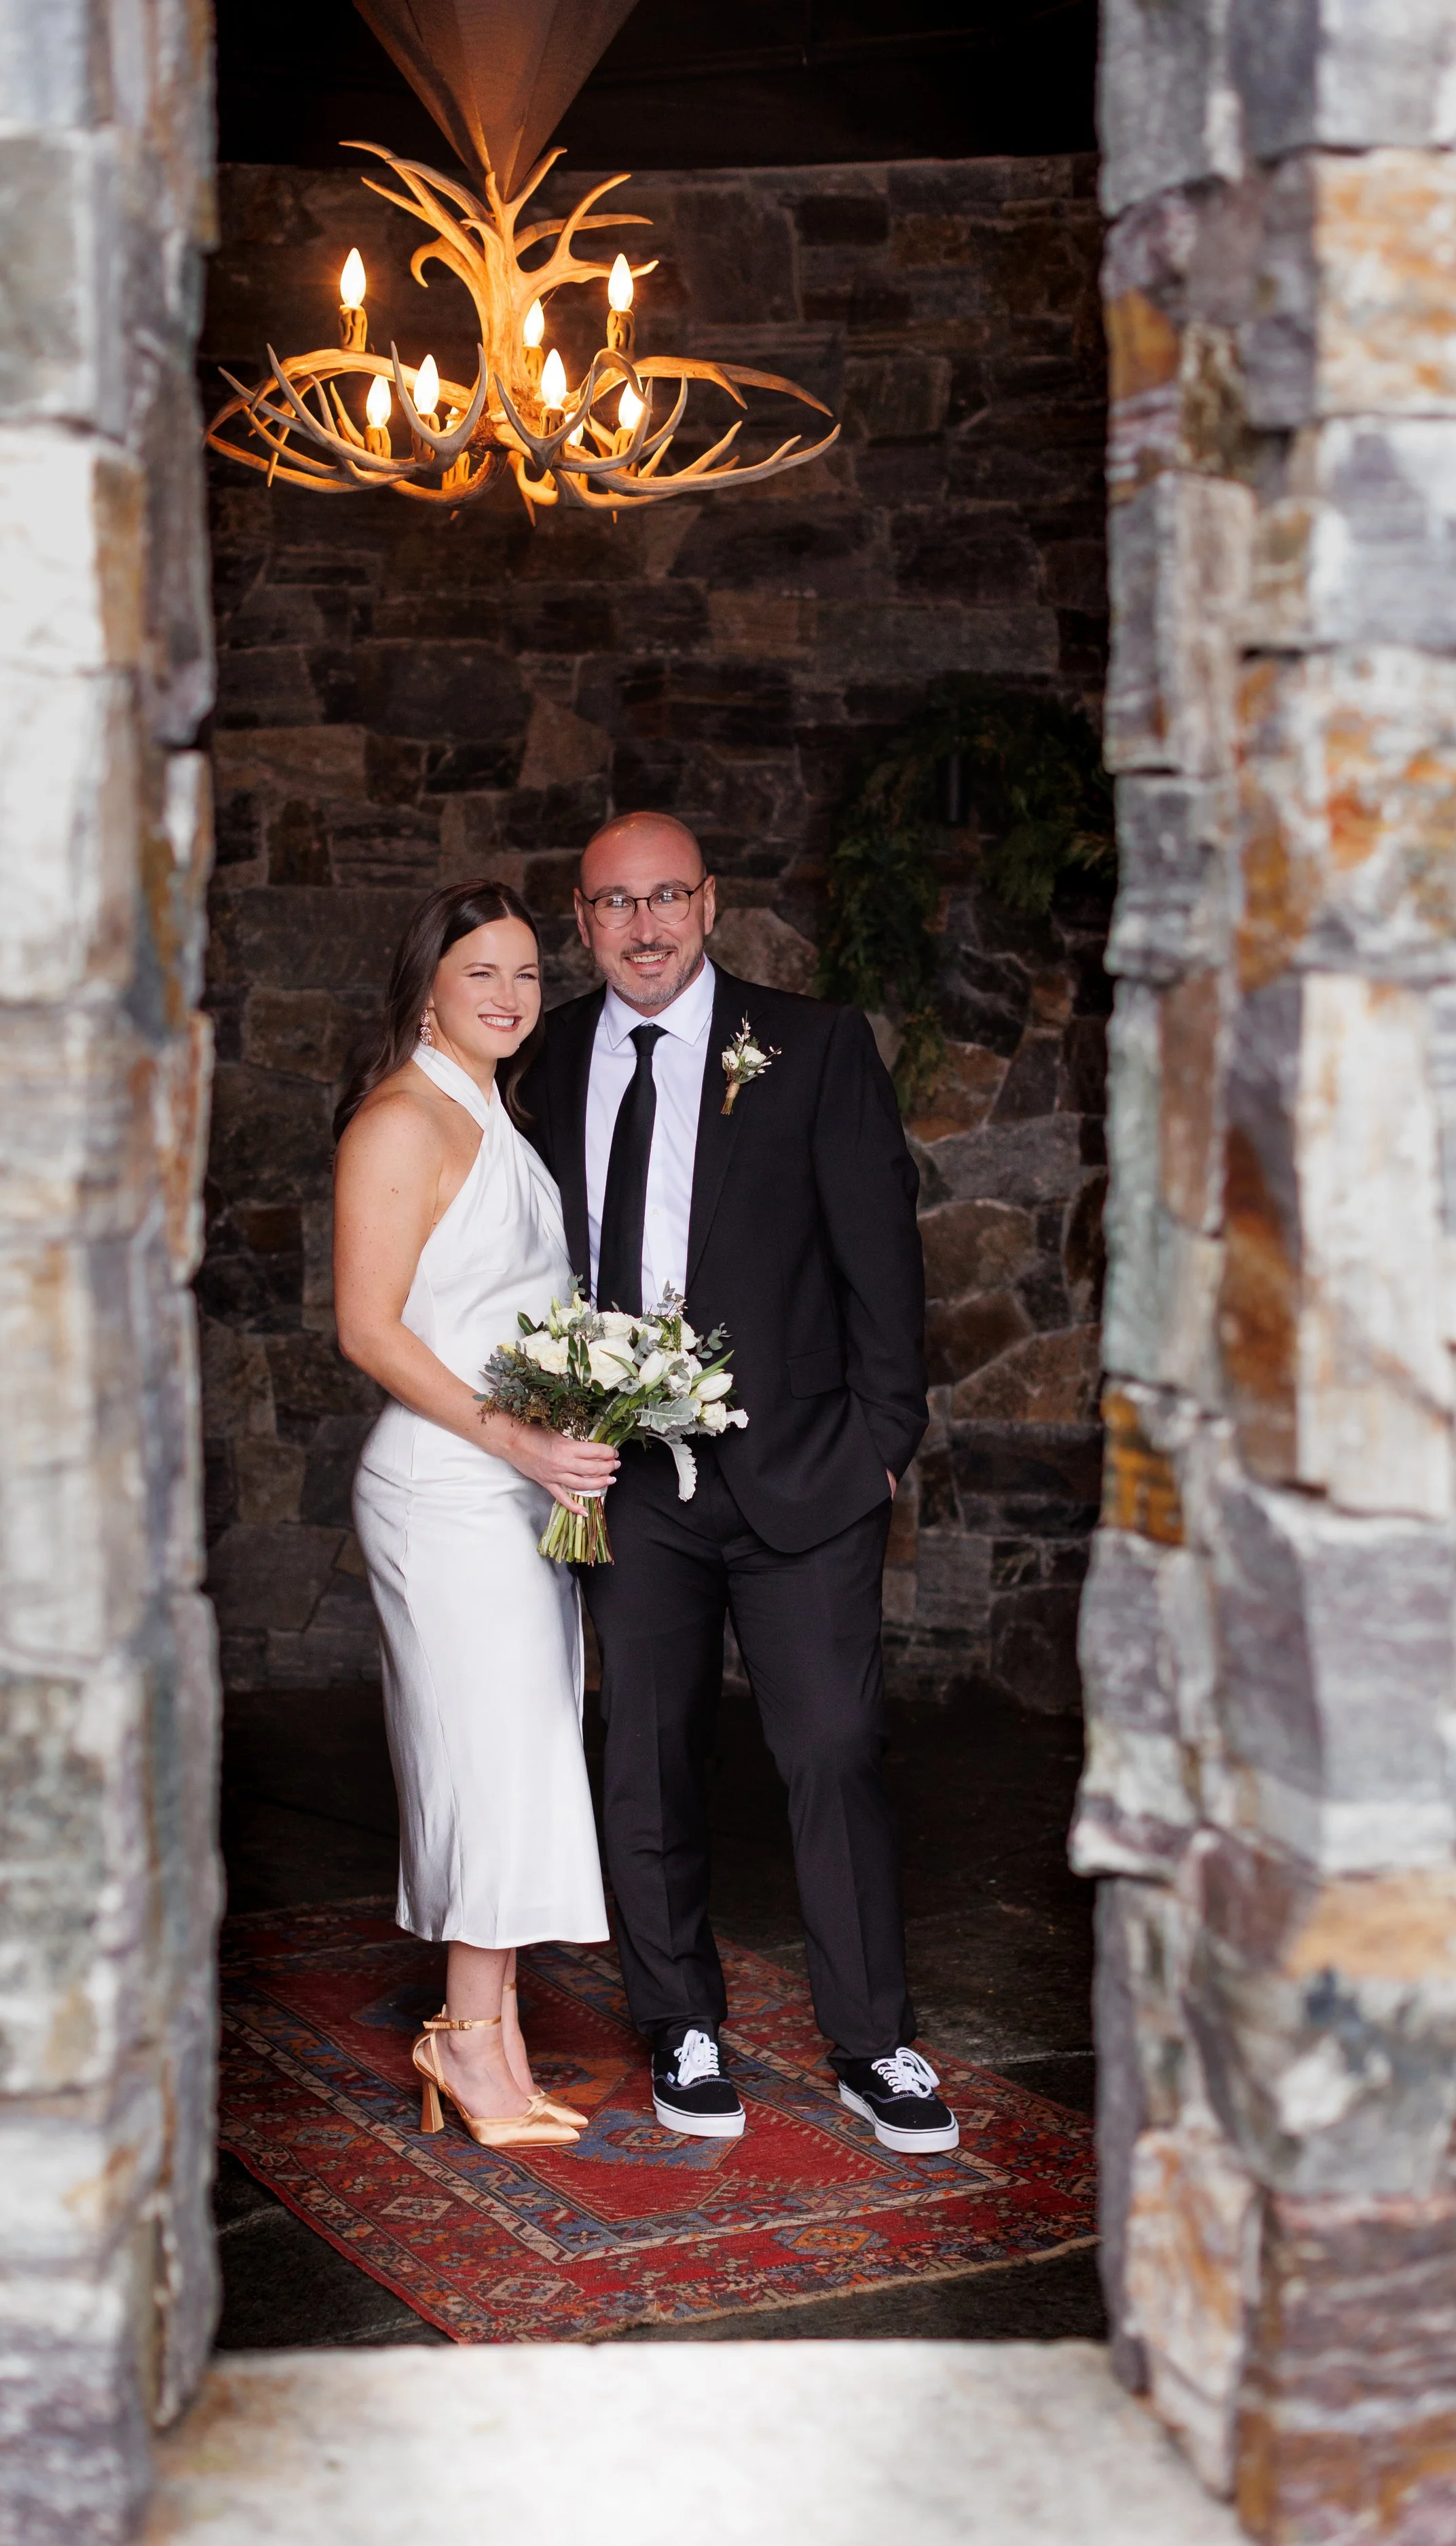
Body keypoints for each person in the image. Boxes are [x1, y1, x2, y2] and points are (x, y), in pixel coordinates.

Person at [519, 812, 958, 2155]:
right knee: (642, 1757)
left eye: (664, 899)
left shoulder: (813, 1046)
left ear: (709, 905)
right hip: (629, 1473)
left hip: (801, 1473)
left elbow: (880, 1260)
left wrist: (881, 1442)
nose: (641, 928)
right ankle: (677, 2021)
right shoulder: (536, 1066)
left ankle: (871, 2043)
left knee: (829, 1749)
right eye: (612, 905)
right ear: (581, 921)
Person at [333, 879, 616, 2151]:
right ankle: (467, 2039)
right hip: (445, 1487)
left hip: (514, 1482)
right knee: (486, 1761)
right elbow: (368, 1327)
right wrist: (514, 1434)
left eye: (526, 974)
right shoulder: (404, 1119)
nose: (510, 997)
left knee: (522, 1751)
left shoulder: (493, 1113)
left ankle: (482, 2037)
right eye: (481, 975)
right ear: (430, 989)